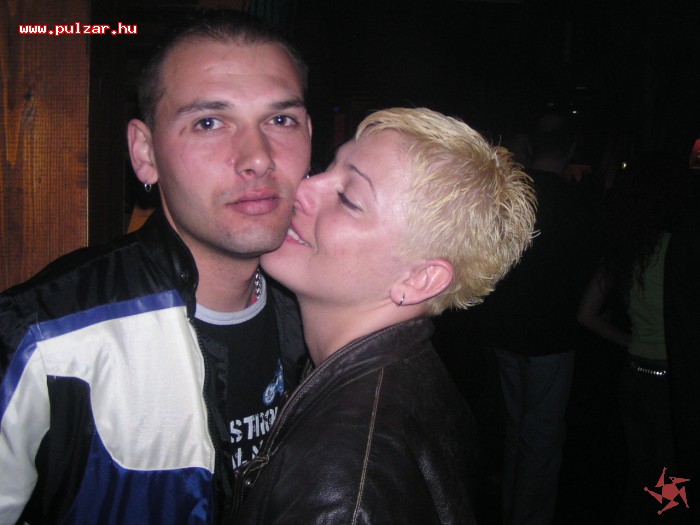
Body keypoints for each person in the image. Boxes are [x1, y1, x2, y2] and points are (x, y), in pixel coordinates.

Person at [0, 10, 311, 525]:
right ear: (145, 153)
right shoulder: (44, 339)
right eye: (209, 122)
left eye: (281, 121)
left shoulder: (323, 313)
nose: (258, 158)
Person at [231, 107, 537, 524]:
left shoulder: (342, 486)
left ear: (420, 279)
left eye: (348, 199)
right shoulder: (418, 375)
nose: (303, 187)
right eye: (326, 168)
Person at [473, 112, 599, 525]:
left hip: (507, 329)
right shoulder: (580, 204)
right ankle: (527, 517)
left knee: (517, 427)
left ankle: (512, 509)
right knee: (541, 436)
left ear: (531, 147)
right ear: (570, 149)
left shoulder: (510, 197)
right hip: (552, 336)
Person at [577, 151, 690, 524]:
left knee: (643, 476)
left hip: (634, 377)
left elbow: (586, 315)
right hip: (670, 385)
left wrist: (633, 342)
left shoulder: (627, 250)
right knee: (671, 482)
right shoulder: (680, 249)